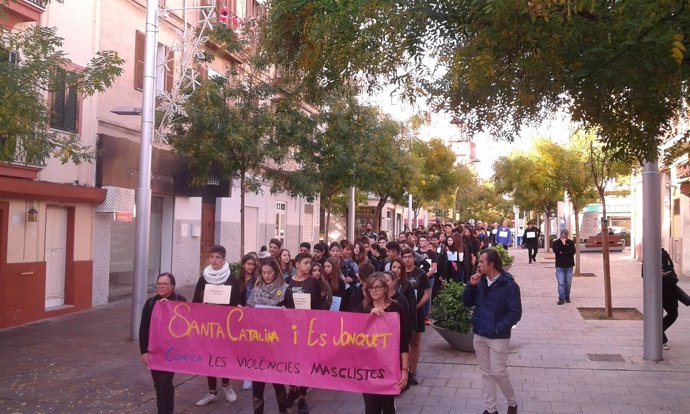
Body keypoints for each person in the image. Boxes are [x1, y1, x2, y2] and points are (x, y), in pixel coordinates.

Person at [464, 249, 522, 414]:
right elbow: (467, 303)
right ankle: (491, 409)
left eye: (482, 262)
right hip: (480, 334)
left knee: (498, 372)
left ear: (491, 264)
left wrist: (498, 328)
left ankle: (512, 403)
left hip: (498, 337)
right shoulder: (480, 281)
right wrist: (471, 286)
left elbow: (515, 313)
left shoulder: (509, 285)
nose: (478, 264)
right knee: (486, 373)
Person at [355, 272, 409, 414]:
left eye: (377, 287)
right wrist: (369, 318)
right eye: (370, 288)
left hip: (389, 366)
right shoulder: (364, 308)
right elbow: (356, 337)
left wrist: (405, 370)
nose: (373, 290)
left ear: (385, 288)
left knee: (388, 406)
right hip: (368, 367)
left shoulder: (396, 309)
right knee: (370, 406)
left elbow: (403, 341)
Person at [193, 245, 240, 406]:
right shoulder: (203, 278)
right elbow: (195, 303)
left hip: (224, 325)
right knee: (209, 356)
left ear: (223, 259)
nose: (214, 260)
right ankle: (211, 391)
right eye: (211, 257)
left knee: (222, 355)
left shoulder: (231, 278)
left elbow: (235, 303)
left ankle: (227, 385)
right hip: (207, 325)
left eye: (217, 257)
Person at [247, 259, 294, 414]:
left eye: (269, 272)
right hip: (258, 342)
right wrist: (244, 310)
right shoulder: (257, 288)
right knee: (258, 383)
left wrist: (286, 314)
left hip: (277, 344)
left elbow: (293, 316)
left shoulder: (285, 289)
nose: (266, 276)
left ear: (276, 272)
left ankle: (282, 410)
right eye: (263, 272)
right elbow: (250, 310)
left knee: (278, 381)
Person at [139, 273, 187, 414]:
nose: (160, 286)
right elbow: (143, 328)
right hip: (154, 350)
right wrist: (143, 351)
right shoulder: (150, 303)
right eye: (158, 283)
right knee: (157, 384)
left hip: (171, 351)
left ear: (173, 286)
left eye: (164, 284)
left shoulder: (180, 301)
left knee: (165, 383)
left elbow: (185, 325)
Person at [286, 252, 321, 413]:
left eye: (310, 263)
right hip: (290, 329)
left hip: (307, 328)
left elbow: (317, 307)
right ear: (297, 264)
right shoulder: (287, 282)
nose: (309, 266)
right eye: (306, 263)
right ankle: (292, 390)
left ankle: (302, 397)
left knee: (305, 362)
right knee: (291, 361)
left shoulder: (313, 282)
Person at [401, 248, 430, 386]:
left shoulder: (421, 274)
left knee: (415, 342)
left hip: (417, 312)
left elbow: (426, 293)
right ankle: (402, 369)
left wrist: (416, 306)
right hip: (401, 313)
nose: (407, 259)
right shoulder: (398, 273)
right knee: (402, 343)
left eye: (409, 256)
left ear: (414, 258)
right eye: (404, 257)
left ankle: (412, 371)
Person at [661, 248, 679, 350]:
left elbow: (671, 269)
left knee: (673, 314)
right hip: (656, 292)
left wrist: (673, 277)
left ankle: (658, 332)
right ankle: (661, 339)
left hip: (669, 290)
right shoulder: (649, 255)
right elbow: (644, 274)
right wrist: (657, 274)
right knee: (657, 316)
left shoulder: (664, 253)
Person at [552, 229, 576, 305]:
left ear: (567, 235)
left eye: (565, 235)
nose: (564, 236)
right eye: (563, 235)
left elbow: (572, 252)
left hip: (569, 266)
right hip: (560, 266)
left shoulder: (571, 243)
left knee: (568, 283)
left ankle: (567, 296)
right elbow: (556, 251)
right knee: (561, 282)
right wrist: (562, 244)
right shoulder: (556, 243)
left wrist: (562, 252)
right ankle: (561, 298)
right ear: (560, 235)